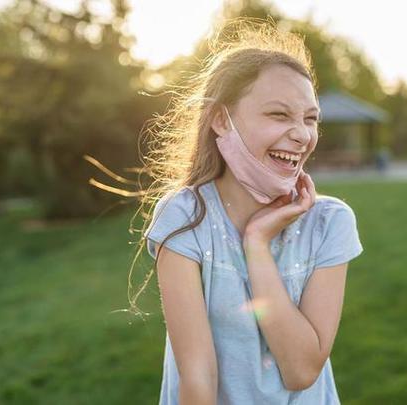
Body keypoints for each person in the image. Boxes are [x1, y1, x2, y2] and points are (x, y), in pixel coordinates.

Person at [141, 18, 364, 405]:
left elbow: (301, 371)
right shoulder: (183, 218)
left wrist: (257, 244)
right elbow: (197, 379)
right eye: (279, 115)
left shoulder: (330, 222)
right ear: (221, 119)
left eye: (310, 118)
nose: (302, 134)